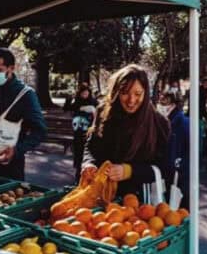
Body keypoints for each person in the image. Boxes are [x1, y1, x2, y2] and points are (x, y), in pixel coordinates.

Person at [81, 64, 171, 197]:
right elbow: (92, 147)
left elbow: (165, 168)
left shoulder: (159, 123)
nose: (131, 100)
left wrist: (129, 171)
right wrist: (89, 164)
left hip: (139, 204)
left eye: (138, 94)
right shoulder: (103, 112)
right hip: (100, 195)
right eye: (124, 93)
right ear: (117, 92)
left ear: (146, 93)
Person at [0, 47, 47, 180]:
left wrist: (17, 150)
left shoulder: (26, 95)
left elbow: (39, 131)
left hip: (12, 165)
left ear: (11, 68)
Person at [158, 91, 190, 209]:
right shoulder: (163, 122)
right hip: (167, 174)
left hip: (179, 176)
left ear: (173, 105)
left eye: (164, 101)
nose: (161, 105)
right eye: (160, 101)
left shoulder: (184, 124)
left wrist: (180, 167)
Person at [67, 83, 98, 181]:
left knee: (88, 151)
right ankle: (78, 173)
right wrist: (80, 108)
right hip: (78, 132)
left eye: (86, 93)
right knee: (78, 152)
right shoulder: (76, 102)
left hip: (88, 131)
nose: (85, 95)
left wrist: (93, 111)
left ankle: (86, 173)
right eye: (83, 93)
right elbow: (68, 107)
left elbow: (98, 110)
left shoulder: (93, 102)